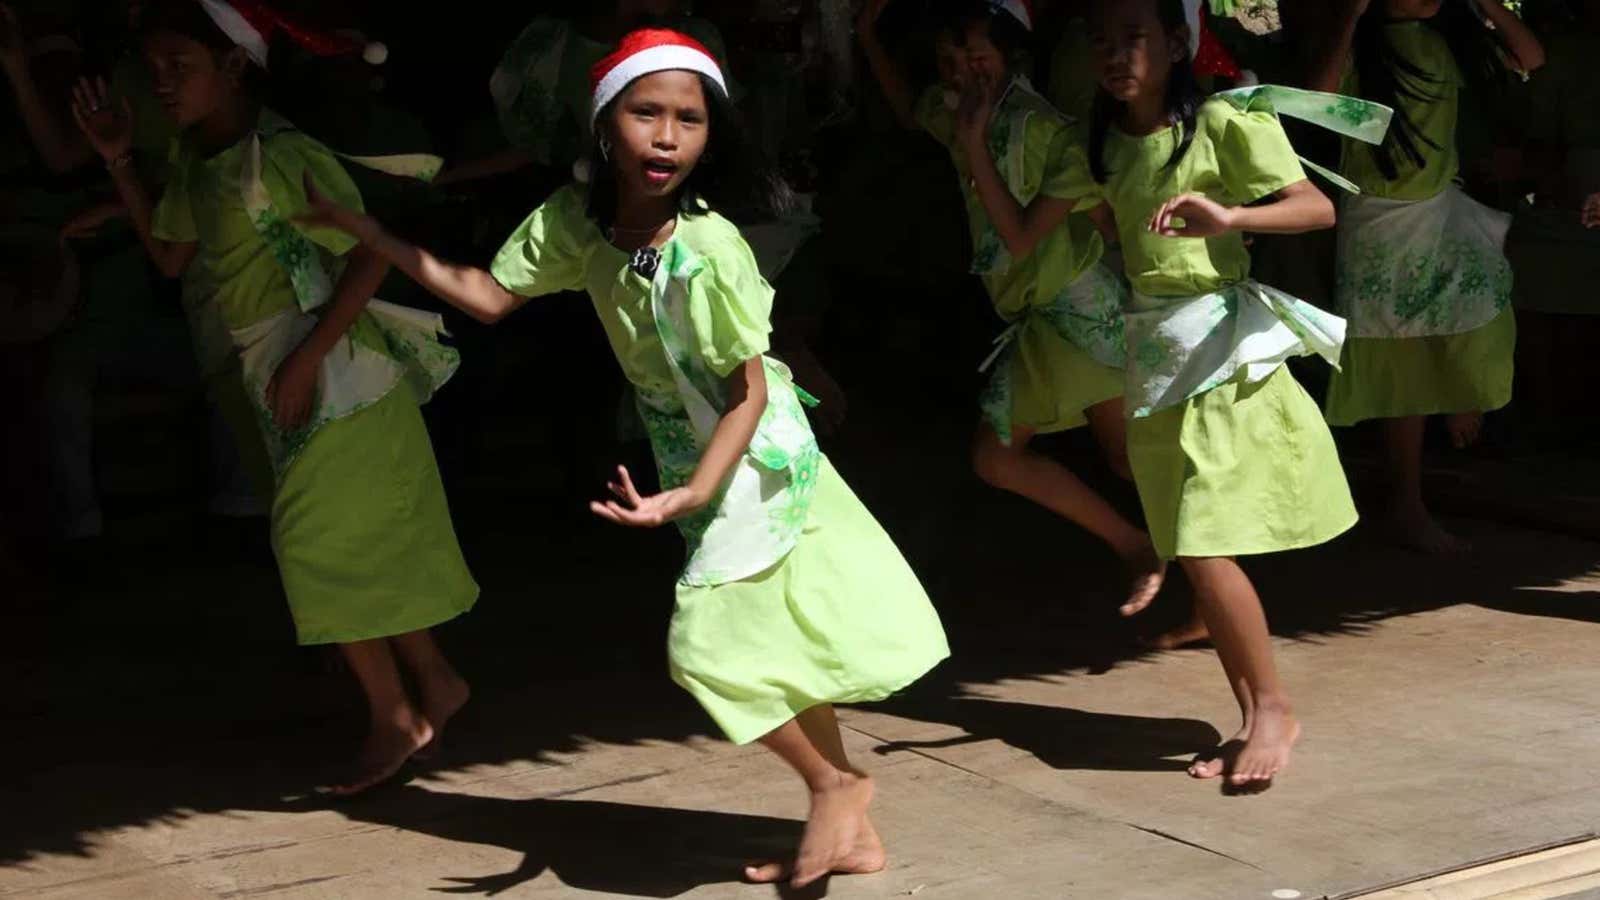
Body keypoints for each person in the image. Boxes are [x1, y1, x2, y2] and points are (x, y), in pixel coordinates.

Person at [298, 28, 949, 886]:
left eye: (690, 119)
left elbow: (746, 395)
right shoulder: (575, 221)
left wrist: (691, 495)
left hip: (754, 456)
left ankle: (835, 784)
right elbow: (488, 297)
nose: (669, 136)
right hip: (693, 458)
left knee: (703, 647)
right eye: (648, 113)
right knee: (768, 641)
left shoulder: (711, 250)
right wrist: (367, 232)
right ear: (606, 125)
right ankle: (851, 828)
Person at [71, 0, 478, 794]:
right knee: (354, 538)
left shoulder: (281, 155)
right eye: (153, 71)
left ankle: (395, 715)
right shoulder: (198, 159)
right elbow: (166, 256)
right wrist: (120, 161)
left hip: (339, 373)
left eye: (177, 68)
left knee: (309, 543)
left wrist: (307, 358)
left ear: (233, 67)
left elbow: (372, 257)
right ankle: (437, 683)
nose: (160, 85)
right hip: (285, 370)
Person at [1047, 0, 1377, 786]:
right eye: (1102, 40)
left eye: (1134, 36)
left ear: (1177, 42)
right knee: (1193, 548)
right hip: (1152, 356)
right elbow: (1102, 229)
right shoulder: (1101, 144)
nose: (1116, 55)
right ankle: (1253, 710)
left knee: (1201, 540)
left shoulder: (1225, 122)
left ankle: (1270, 708)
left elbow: (1318, 205)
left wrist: (1229, 214)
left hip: (1222, 358)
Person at [859, 0, 1166, 614]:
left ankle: (1206, 569)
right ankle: (1146, 548)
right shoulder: (957, 115)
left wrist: (974, 146)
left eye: (976, 56)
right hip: (1037, 320)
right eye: (948, 61)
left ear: (1012, 56)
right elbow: (908, 110)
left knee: (1127, 460)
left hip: (1081, 314)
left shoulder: (1045, 129)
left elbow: (1022, 238)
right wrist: (868, 36)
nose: (960, 72)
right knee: (1003, 458)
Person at [1308, 0, 1545, 553]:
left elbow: (1530, 55)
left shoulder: (1444, 42)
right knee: (1399, 358)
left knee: (1486, 298)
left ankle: (1464, 394)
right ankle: (1407, 505)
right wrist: (1348, 15)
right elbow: (1316, 101)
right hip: (1377, 222)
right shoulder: (1360, 51)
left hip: (1440, 209)